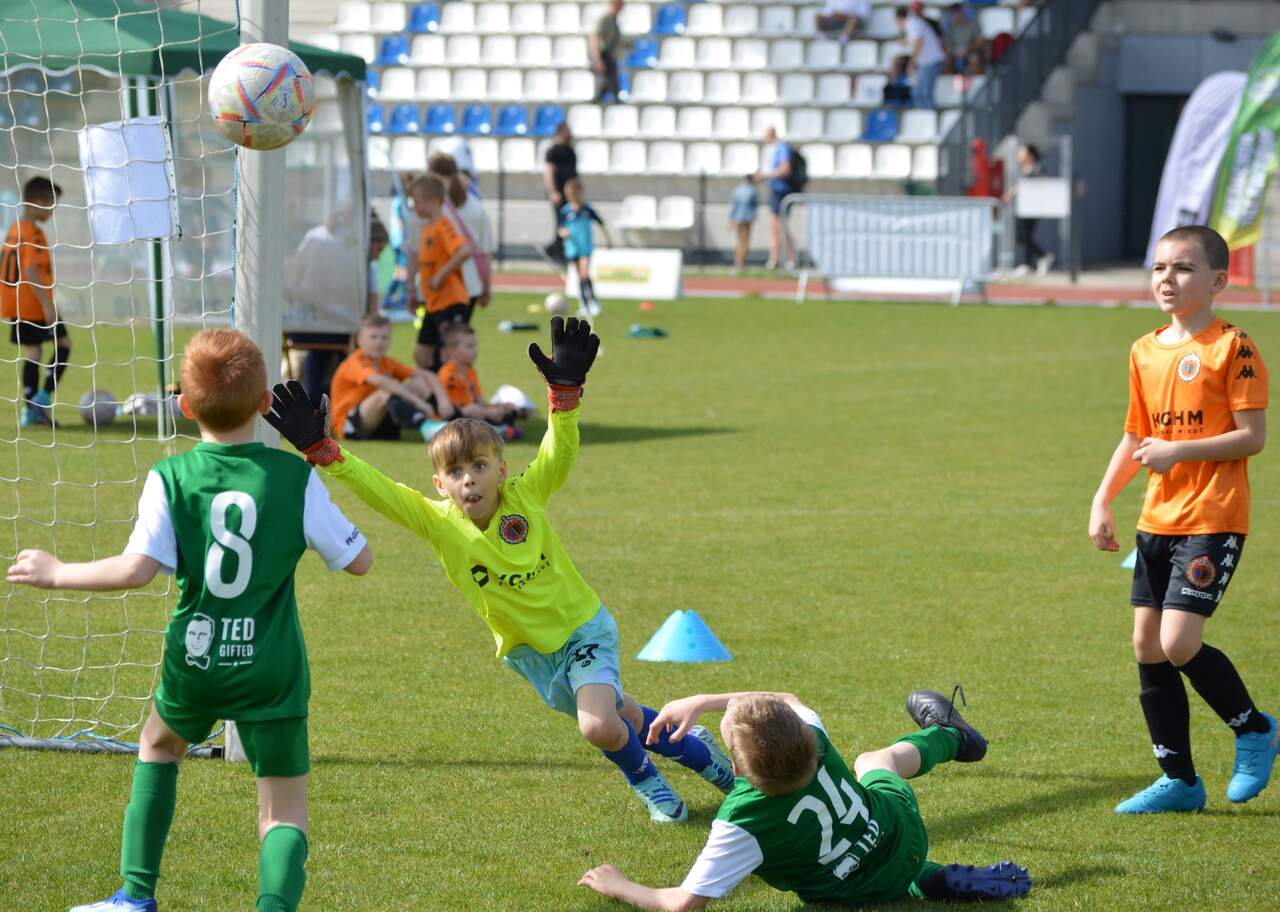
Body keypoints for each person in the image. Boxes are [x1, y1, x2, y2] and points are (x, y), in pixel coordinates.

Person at [265, 317, 736, 825]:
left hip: (582, 629)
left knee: (598, 726)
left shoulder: (525, 496)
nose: (469, 480)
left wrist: (565, 398)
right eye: (455, 472)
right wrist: (325, 453)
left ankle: (647, 782)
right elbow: (380, 490)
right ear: (440, 484)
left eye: (480, 466)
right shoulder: (437, 523)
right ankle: (695, 747)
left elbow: (559, 452)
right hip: (529, 654)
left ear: (502, 469)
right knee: (621, 714)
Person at [6, 329, 373, 912]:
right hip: (271, 665)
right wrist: (318, 459)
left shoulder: (170, 477)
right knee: (282, 809)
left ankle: (135, 897)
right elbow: (360, 561)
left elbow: (136, 570)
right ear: (265, 403)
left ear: (183, 405)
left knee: (158, 746)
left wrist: (57, 572)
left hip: (196, 658)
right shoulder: (294, 477)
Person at [1089, 225, 1278, 814]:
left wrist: (1178, 452)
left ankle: (1255, 729)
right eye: (1159, 268)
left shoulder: (1233, 347)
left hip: (1213, 516)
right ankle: (1179, 781)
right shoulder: (1143, 350)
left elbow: (1252, 437)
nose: (1167, 279)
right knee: (1147, 644)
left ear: (1217, 281)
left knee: (1177, 642)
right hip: (1157, 518)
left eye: (1183, 268)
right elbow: (1135, 436)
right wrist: (1102, 499)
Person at [579, 688, 1032, 908]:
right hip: (900, 834)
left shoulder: (740, 821)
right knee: (875, 762)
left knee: (859, 866)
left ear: (735, 768)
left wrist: (620, 885)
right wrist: (705, 700)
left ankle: (925, 878)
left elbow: (682, 903)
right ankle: (951, 736)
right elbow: (785, 696)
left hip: (845, 893)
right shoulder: (811, 734)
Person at [1, 176, 68, 427]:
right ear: (39, 202)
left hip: (22, 303)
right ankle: (39, 401)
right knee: (62, 345)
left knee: (36, 351)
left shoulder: (16, 228)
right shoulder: (30, 232)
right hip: (33, 304)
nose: (53, 212)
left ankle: (31, 408)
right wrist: (47, 303)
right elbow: (29, 270)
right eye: (52, 205)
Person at [330, 313, 454, 443]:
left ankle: (443, 422)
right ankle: (426, 426)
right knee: (386, 391)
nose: (379, 342)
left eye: (384, 337)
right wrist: (419, 402)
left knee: (418, 384)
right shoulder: (354, 361)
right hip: (348, 426)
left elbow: (427, 375)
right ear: (359, 340)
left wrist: (443, 401)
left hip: (377, 422)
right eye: (373, 337)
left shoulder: (386, 362)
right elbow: (381, 381)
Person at [282, 208, 365, 404]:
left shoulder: (316, 242)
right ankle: (325, 399)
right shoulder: (343, 253)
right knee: (325, 353)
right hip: (333, 330)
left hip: (313, 330)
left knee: (320, 355)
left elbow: (295, 278)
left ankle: (316, 400)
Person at [409, 175, 474, 372]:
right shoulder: (426, 228)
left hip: (450, 302)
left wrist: (440, 275)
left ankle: (454, 387)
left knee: (448, 354)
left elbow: (465, 250)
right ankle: (436, 385)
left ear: (434, 201)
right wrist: (412, 289)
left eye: (417, 202)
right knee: (421, 354)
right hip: (433, 303)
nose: (414, 207)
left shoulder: (444, 226)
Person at [428, 152, 494, 319]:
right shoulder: (476, 206)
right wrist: (487, 287)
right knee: (459, 332)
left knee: (438, 334)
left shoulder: (434, 207)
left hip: (439, 281)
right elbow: (485, 252)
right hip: (469, 283)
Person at [437, 323, 523, 437]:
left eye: (475, 346)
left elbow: (480, 401)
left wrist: (498, 408)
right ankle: (499, 431)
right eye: (469, 347)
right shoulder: (448, 375)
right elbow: (452, 411)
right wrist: (485, 412)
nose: (474, 351)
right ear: (451, 351)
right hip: (456, 419)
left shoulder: (470, 372)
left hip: (473, 415)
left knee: (509, 411)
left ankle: (498, 428)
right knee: (473, 413)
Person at [558, 177, 611, 318]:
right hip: (572, 247)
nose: (574, 197)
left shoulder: (587, 209)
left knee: (584, 274)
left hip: (585, 247)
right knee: (580, 276)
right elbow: (561, 228)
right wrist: (563, 233)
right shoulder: (565, 211)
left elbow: (601, 223)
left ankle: (593, 302)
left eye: (576, 194)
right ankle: (584, 305)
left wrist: (608, 240)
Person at [1004, 143, 1053, 277]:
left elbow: (1042, 183)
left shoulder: (1038, 168)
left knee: (1024, 235)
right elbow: (1017, 187)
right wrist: (1008, 195)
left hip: (1033, 207)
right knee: (1024, 235)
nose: (1019, 155)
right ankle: (1028, 264)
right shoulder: (1023, 170)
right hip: (1023, 207)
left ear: (1030, 155)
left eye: (1022, 152)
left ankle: (1042, 256)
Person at [755, 127, 796, 271]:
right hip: (775, 190)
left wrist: (767, 175)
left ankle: (787, 258)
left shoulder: (782, 147)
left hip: (781, 191)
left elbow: (785, 169)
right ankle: (776, 258)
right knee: (776, 227)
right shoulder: (771, 149)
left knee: (780, 227)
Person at [896, 3, 947, 109]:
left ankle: (928, 117)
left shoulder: (912, 23)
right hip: (928, 62)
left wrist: (912, 63)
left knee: (923, 94)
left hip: (930, 61)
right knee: (919, 93)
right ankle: (924, 116)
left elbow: (918, 43)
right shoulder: (914, 23)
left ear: (899, 18)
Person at [542, 124, 578, 267]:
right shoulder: (553, 151)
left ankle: (553, 249)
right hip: (559, 193)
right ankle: (557, 252)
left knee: (569, 222)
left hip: (570, 194)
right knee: (561, 222)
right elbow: (549, 172)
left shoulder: (570, 151)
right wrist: (552, 191)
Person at [591, 0, 628, 105]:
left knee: (609, 84)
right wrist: (597, 59)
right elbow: (595, 38)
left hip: (611, 57)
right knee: (610, 84)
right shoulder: (605, 19)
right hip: (605, 57)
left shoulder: (614, 20)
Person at [728, 174, 758, 272]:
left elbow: (734, 206)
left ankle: (737, 262)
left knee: (739, 241)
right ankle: (741, 263)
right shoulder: (752, 190)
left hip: (738, 218)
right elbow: (754, 205)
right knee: (744, 241)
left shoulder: (737, 190)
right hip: (747, 219)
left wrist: (731, 219)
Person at [942, 3, 984, 73]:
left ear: (962, 13)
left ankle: (978, 78)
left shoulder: (972, 25)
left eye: (957, 13)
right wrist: (954, 51)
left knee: (974, 59)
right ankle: (948, 79)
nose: (955, 16)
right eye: (953, 14)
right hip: (954, 53)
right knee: (946, 60)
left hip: (970, 51)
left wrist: (968, 49)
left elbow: (979, 41)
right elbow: (946, 44)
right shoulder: (950, 28)